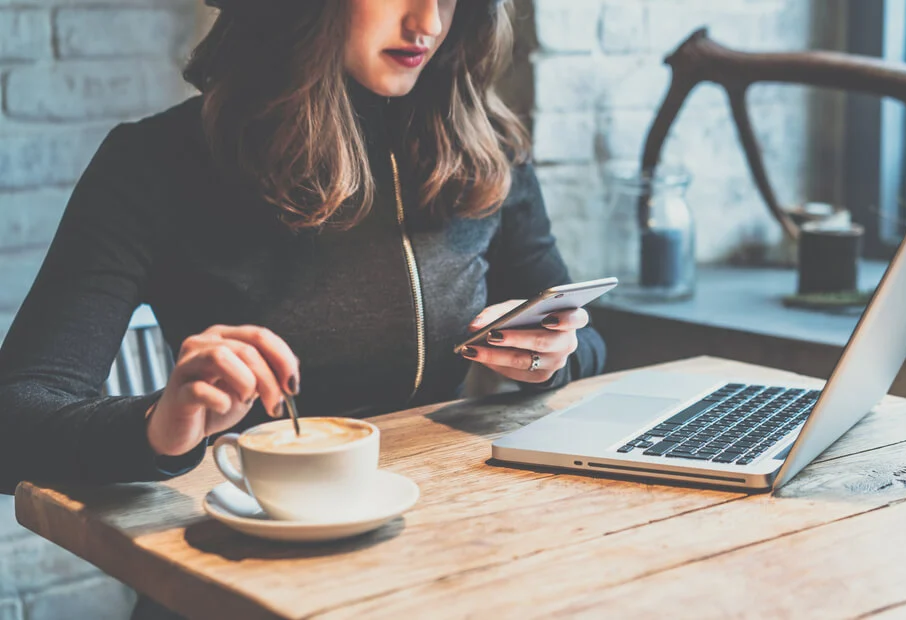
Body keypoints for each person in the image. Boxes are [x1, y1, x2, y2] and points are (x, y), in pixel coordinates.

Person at [0, 0, 605, 497]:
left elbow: (591, 341)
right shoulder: (154, 162)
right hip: (244, 551)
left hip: (454, 534)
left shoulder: (485, 146)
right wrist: (156, 427)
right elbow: (13, 421)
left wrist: (551, 355)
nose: (429, 22)